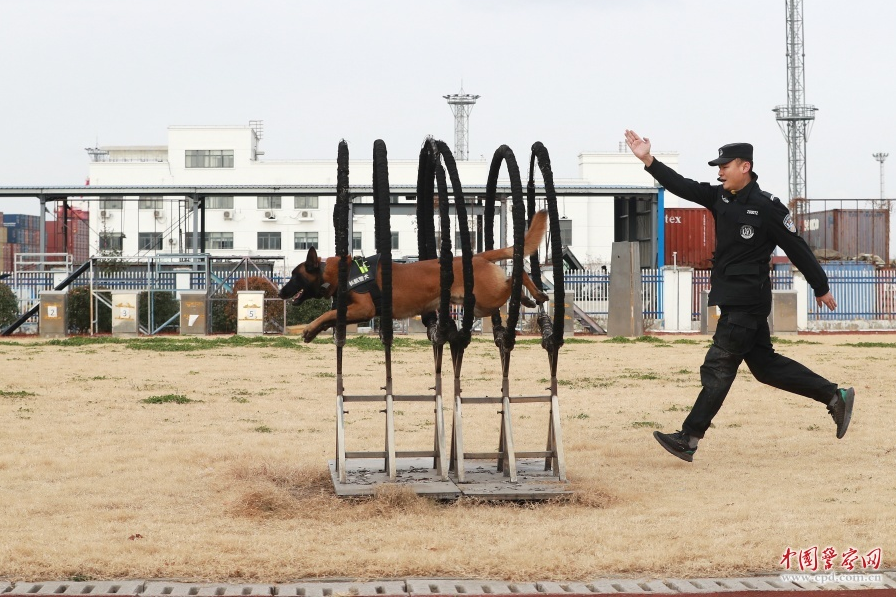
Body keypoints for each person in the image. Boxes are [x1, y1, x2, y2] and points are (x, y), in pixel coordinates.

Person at [623, 129, 855, 462]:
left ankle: (688, 438)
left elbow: (797, 247)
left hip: (749, 301)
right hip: (732, 298)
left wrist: (820, 285)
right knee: (765, 367)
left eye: (725, 166)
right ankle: (836, 396)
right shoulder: (721, 198)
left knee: (719, 364)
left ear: (744, 166)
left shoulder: (766, 207)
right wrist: (648, 159)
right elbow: (683, 185)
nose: (719, 171)